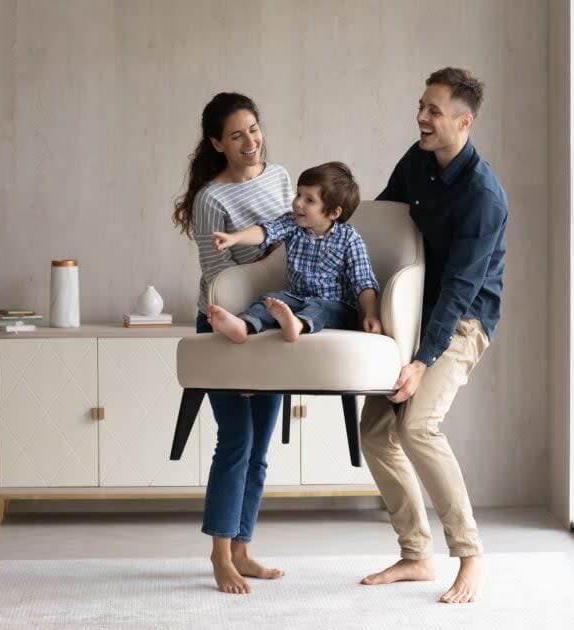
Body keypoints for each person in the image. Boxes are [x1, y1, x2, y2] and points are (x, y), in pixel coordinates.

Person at [358, 67, 508, 604]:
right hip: (410, 313)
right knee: (375, 430)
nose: (422, 117)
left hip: (462, 321)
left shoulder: (484, 196)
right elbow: (378, 223)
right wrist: (366, 302)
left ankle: (470, 555)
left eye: (435, 111)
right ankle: (416, 554)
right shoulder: (417, 160)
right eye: (421, 106)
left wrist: (421, 361)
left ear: (464, 121)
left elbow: (460, 292)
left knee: (418, 424)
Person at [173, 92, 292, 595]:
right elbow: (219, 277)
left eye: (254, 128)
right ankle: (220, 555)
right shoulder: (211, 200)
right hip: (226, 326)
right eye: (237, 134)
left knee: (260, 448)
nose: (250, 141)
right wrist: (240, 344)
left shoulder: (282, 178)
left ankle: (243, 550)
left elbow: (295, 241)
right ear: (218, 143)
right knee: (236, 442)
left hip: (270, 323)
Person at [207, 162, 382, 343]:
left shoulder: (349, 238)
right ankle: (244, 326)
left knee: (318, 307)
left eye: (309, 200)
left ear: (333, 212)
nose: (297, 203)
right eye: (298, 194)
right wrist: (235, 238)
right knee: (270, 299)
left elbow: (364, 281)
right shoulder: (293, 224)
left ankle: (297, 325)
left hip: (337, 308)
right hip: (296, 299)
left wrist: (371, 314)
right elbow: (266, 231)